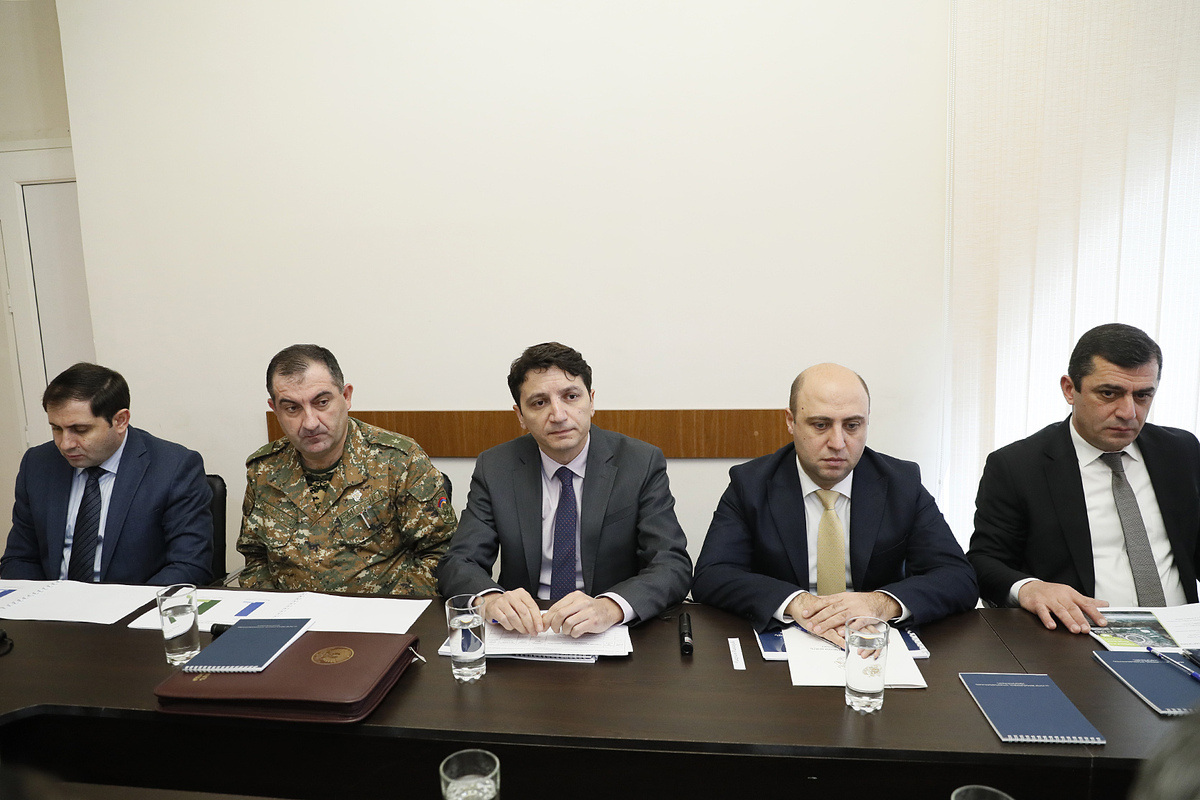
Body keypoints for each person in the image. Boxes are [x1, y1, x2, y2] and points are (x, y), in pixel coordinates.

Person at [691, 363, 977, 644]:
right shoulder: (751, 484)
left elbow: (958, 577)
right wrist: (796, 602)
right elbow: (712, 575)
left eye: (852, 426)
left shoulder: (901, 483)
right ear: (790, 421)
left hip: (871, 638)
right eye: (820, 425)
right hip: (788, 635)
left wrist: (880, 603)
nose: (838, 443)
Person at [436, 342, 693, 637]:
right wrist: (491, 600)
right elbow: (459, 561)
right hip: (526, 631)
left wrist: (610, 607)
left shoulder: (639, 462)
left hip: (608, 632)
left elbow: (671, 564)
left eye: (571, 397)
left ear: (591, 401)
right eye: (539, 403)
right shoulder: (495, 467)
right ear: (520, 415)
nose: (558, 415)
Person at [968, 323, 1200, 634]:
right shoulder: (1017, 466)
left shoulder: (1180, 452)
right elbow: (984, 562)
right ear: (1069, 389)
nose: (1128, 412)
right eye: (1109, 393)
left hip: (1184, 635)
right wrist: (1030, 588)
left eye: (1143, 395)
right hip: (1079, 636)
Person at [236, 344, 456, 596]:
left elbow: (441, 554)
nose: (310, 423)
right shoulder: (263, 469)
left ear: (346, 396)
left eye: (322, 402)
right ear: (275, 409)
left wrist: (387, 609)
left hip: (382, 614)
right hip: (290, 615)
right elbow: (255, 558)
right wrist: (274, 610)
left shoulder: (398, 461)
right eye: (292, 408)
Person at [1, 363, 213, 584]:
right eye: (56, 428)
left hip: (133, 602)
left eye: (80, 430)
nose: (65, 444)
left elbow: (190, 566)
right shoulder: (38, 464)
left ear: (120, 420)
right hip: (51, 602)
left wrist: (126, 604)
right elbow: (20, 558)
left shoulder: (173, 467)